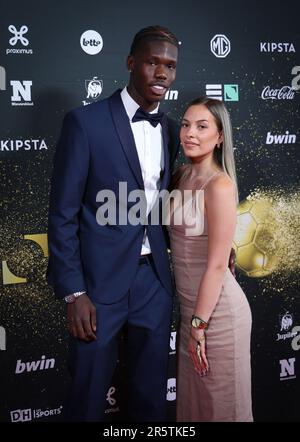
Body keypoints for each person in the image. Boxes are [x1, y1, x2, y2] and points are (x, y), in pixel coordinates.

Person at [47, 25, 181, 422]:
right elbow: (62, 214)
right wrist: (74, 292)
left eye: (169, 66)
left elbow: (174, 206)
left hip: (153, 283)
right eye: (152, 62)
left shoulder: (173, 131)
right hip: (97, 287)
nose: (161, 73)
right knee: (87, 399)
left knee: (150, 400)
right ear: (130, 63)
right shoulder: (85, 123)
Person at [168, 97, 253, 422]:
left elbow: (217, 265)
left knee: (223, 411)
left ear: (219, 137)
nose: (190, 133)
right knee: (194, 410)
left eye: (202, 126)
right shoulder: (180, 176)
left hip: (216, 320)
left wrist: (198, 327)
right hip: (191, 314)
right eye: (186, 124)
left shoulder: (219, 186)